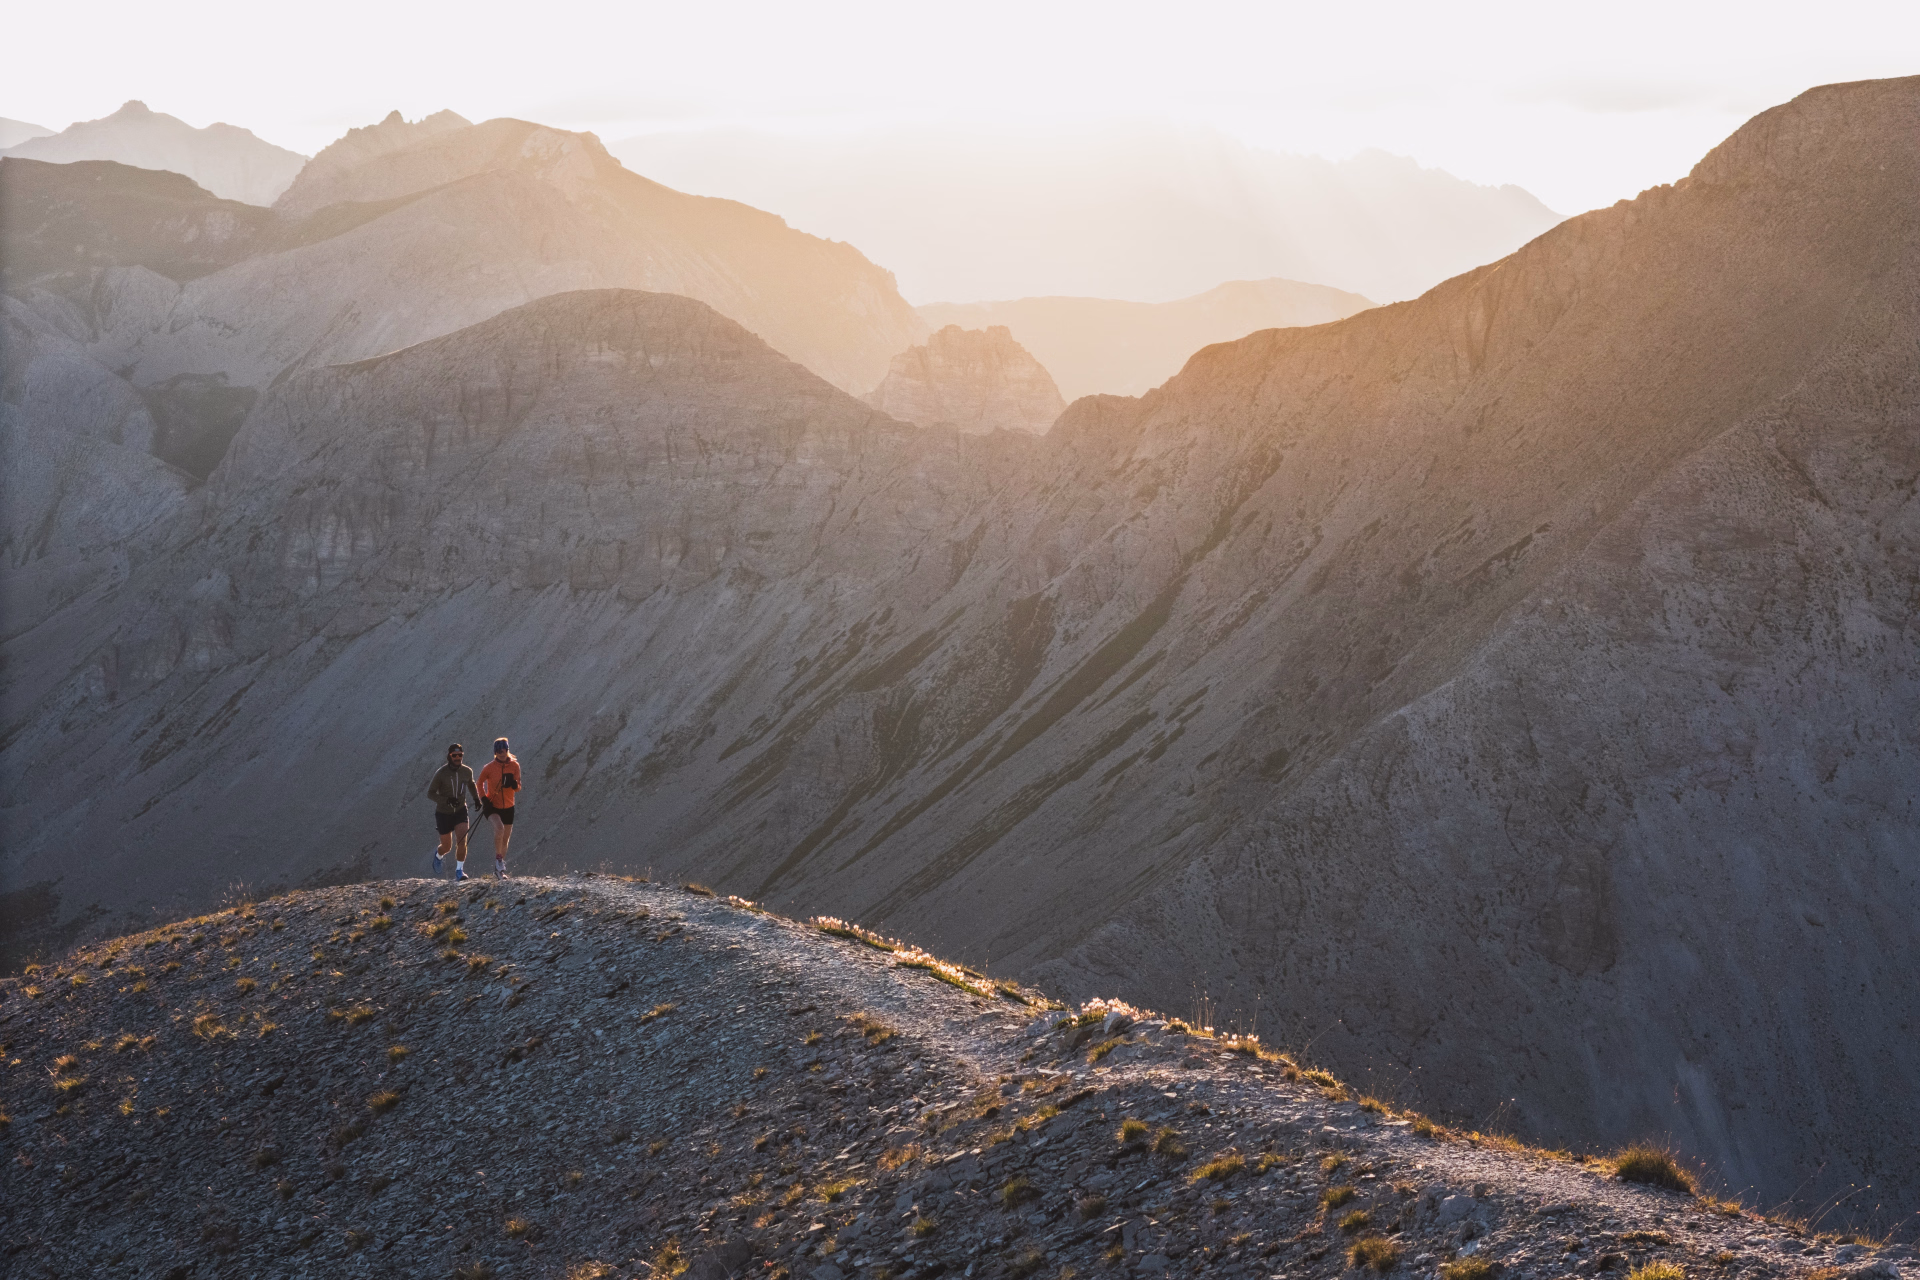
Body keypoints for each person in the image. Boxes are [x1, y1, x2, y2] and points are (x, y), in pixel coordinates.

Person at [425, 743, 480, 880]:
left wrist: (476, 799)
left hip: (460, 811)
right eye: (454, 755)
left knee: (462, 841)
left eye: (460, 755)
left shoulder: (467, 771)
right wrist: (447, 800)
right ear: (449, 756)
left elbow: (471, 784)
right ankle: (438, 855)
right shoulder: (441, 773)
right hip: (443, 813)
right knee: (447, 846)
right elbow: (430, 793)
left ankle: (459, 871)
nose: (457, 758)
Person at [476, 737, 522, 879]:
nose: (502, 753)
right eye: (499, 751)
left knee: (505, 838)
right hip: (492, 805)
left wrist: (514, 785)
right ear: (495, 752)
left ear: (507, 750)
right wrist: (484, 799)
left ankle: (499, 870)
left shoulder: (515, 766)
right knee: (499, 829)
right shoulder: (489, 767)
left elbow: (518, 787)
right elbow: (479, 783)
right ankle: (498, 860)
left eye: (504, 750)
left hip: (509, 806)